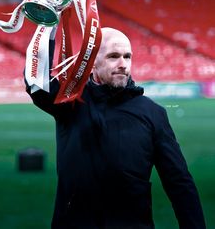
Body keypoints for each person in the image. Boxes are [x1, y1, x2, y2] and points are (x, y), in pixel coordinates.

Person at [25, 26, 206, 229]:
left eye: (127, 57)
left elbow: (179, 182)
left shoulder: (153, 113)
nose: (122, 64)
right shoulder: (71, 103)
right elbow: (38, 84)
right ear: (92, 62)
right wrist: (47, 24)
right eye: (113, 56)